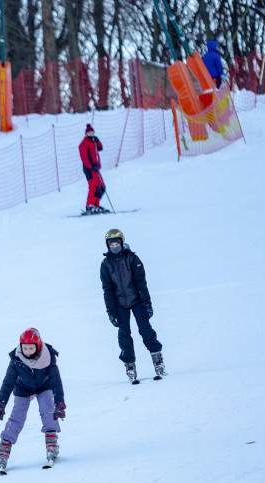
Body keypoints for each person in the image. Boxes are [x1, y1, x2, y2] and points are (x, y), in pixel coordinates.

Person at [0, 328, 66, 472]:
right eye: (24, 347)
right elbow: (8, 382)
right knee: (17, 418)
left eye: (30, 348)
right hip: (23, 388)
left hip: (43, 386)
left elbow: (56, 381)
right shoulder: (16, 359)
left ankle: (51, 445)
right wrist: (1, 402)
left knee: (48, 410)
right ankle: (3, 452)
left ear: (38, 345)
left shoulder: (47, 357)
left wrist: (59, 402)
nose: (27, 351)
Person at [100, 229, 165, 382]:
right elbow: (107, 290)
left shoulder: (132, 258)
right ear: (107, 245)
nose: (114, 246)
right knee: (124, 335)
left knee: (145, 329)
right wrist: (111, 312)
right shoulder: (106, 264)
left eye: (117, 243)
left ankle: (158, 360)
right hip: (119, 305)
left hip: (137, 301)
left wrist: (147, 303)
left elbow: (141, 283)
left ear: (122, 243)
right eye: (111, 244)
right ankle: (130, 365)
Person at [78, 124, 108, 215]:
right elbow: (84, 157)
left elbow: (100, 148)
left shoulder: (93, 142)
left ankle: (96, 205)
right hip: (89, 169)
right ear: (86, 134)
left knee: (102, 187)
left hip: (96, 168)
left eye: (92, 132)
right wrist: (91, 166)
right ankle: (90, 206)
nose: (91, 134)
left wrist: (97, 140)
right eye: (89, 133)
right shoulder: (83, 144)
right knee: (93, 187)